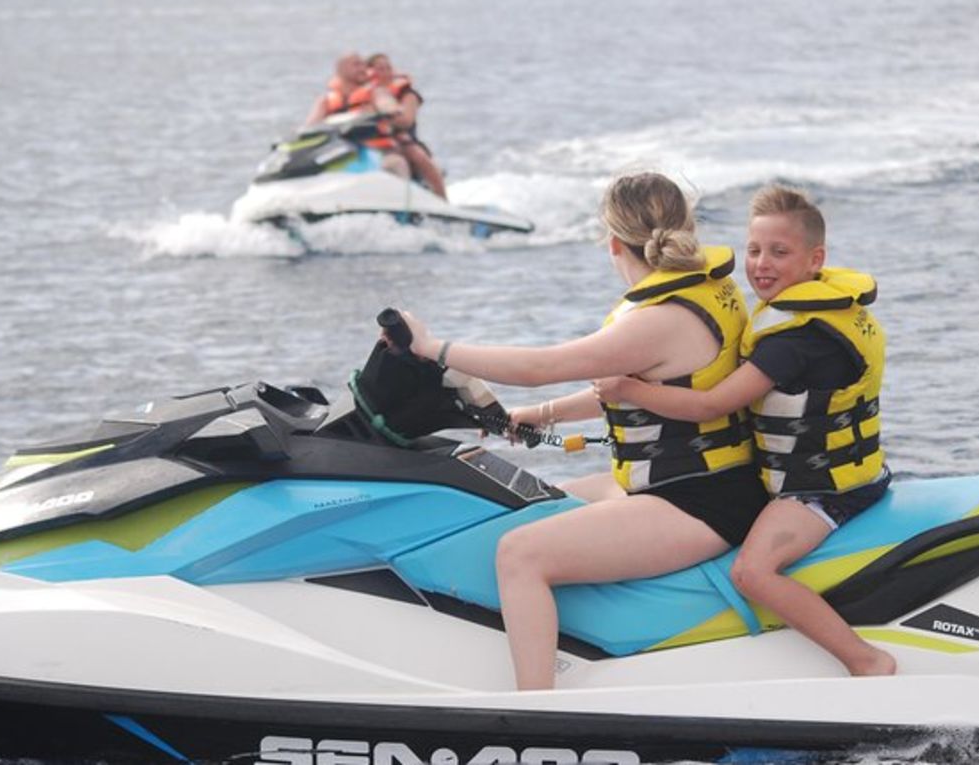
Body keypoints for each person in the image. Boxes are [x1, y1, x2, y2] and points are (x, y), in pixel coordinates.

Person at [395, 172, 769, 689]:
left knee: (520, 553)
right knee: (524, 505)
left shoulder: (657, 319)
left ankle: (535, 712)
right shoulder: (710, 288)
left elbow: (542, 365)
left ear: (613, 243)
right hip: (687, 482)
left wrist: (432, 349)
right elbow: (628, 388)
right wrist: (542, 414)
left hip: (701, 503)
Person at [593, 184, 897, 678]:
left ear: (815, 259)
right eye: (754, 250)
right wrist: (543, 414)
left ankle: (867, 661)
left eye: (780, 252)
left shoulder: (794, 341)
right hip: (846, 474)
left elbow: (711, 403)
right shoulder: (796, 318)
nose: (761, 264)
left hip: (824, 493)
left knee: (751, 572)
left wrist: (630, 389)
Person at [303, 52, 411, 179]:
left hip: (379, 152)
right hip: (338, 154)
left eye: (363, 65)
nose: (362, 69)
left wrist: (391, 109)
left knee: (396, 163)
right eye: (356, 65)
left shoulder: (376, 92)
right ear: (341, 70)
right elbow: (310, 125)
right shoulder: (326, 101)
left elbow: (386, 103)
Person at [364, 53, 447, 198]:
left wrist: (383, 119)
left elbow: (407, 120)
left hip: (405, 142)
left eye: (388, 68)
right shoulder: (364, 95)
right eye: (380, 69)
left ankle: (442, 197)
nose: (386, 72)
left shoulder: (407, 95)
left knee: (415, 154)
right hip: (375, 144)